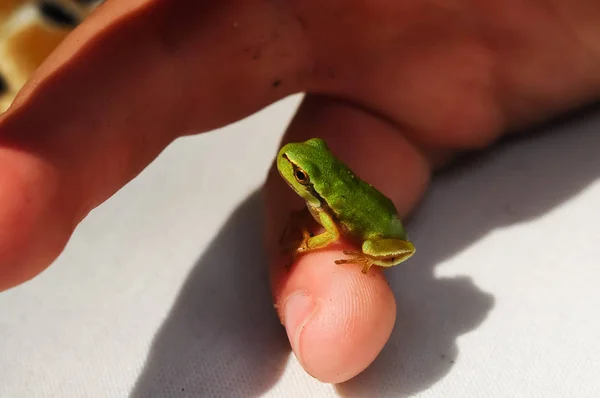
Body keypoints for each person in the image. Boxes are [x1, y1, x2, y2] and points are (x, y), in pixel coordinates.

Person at [0, 0, 598, 384]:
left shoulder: (326, 203)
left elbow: (334, 227)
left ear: (314, 182)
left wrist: (347, 246)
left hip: (380, 232)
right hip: (370, 197)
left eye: (303, 174)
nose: (294, 169)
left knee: (349, 263)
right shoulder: (324, 177)